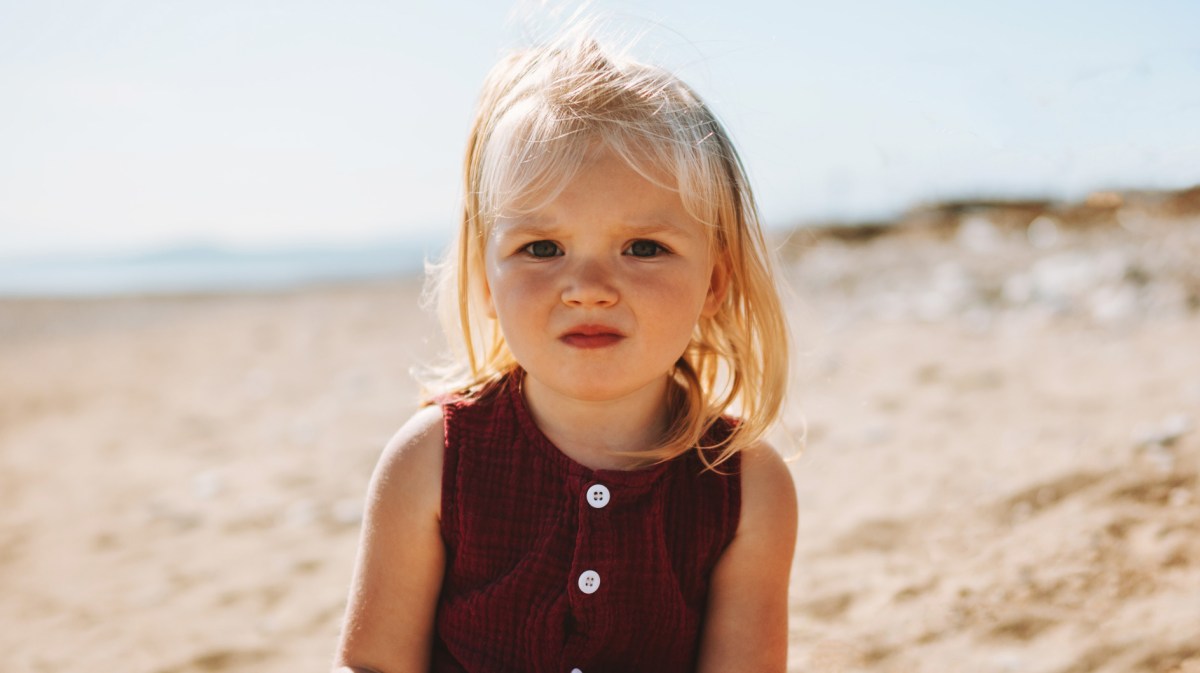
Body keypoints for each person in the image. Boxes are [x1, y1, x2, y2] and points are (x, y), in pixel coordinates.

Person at [333, 26, 797, 673]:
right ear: (485, 282)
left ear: (714, 282)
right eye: (542, 248)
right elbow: (373, 664)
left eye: (643, 248)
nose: (588, 289)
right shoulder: (432, 460)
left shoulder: (744, 484)